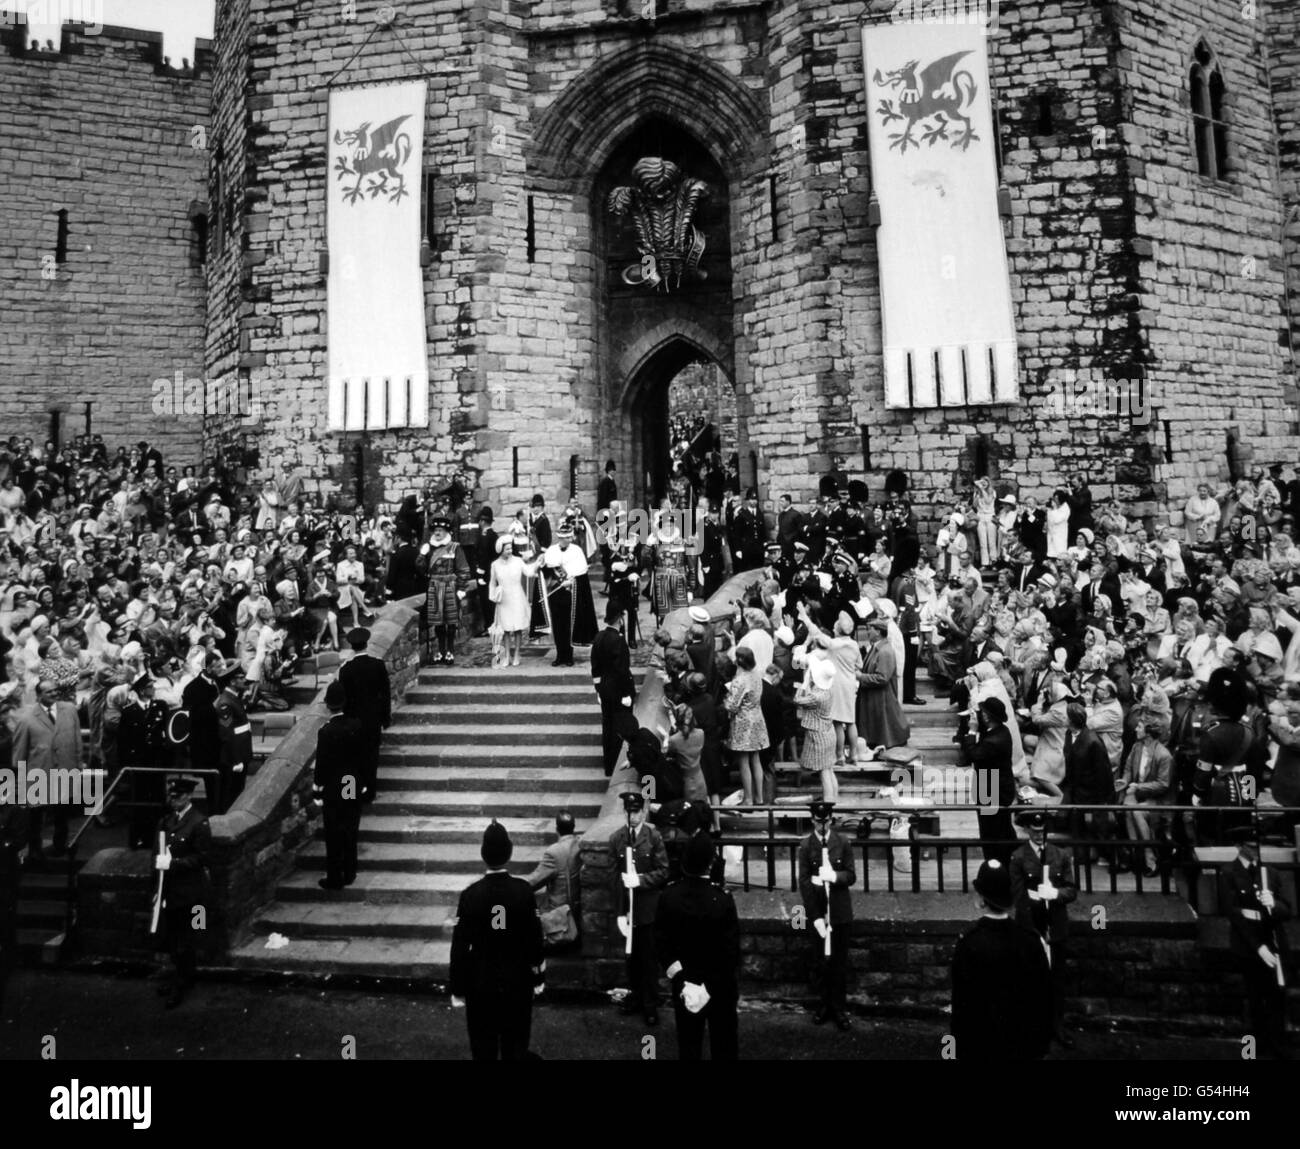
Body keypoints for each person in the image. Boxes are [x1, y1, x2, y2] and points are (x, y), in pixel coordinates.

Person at [449, 822, 546, 1060]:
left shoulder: (471, 895)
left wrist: (458, 988)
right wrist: (538, 978)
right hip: (517, 982)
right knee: (516, 1045)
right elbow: (535, 939)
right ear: (509, 853)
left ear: (484, 855)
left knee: (484, 1048)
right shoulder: (523, 892)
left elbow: (460, 946)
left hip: (481, 984)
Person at [951, 858, 1052, 1060]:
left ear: (981, 899)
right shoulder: (1031, 940)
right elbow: (1043, 998)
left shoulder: (969, 943)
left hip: (983, 1045)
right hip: (1021, 1044)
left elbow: (963, 1007)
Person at [653, 833, 741, 1060]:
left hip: (685, 985)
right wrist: (709, 987)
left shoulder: (669, 896)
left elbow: (662, 945)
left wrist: (681, 980)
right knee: (724, 1045)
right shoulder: (722, 899)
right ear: (710, 863)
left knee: (689, 1045)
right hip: (719, 987)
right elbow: (730, 953)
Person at [1216, 826, 1291, 1059]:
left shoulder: (1270, 872)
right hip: (1249, 946)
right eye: (1250, 846)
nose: (1255, 850)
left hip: (1274, 941)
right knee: (1256, 1000)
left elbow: (1287, 908)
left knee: (1278, 999)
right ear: (1240, 846)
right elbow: (1234, 913)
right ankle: (1256, 1050)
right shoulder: (1228, 873)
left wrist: (1275, 905)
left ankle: (1278, 1049)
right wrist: (1258, 947)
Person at [1009, 810, 1078, 1048]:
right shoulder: (1019, 857)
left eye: (1042, 831)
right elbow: (1019, 899)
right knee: (1031, 979)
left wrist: (1056, 894)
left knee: (1057, 980)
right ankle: (1033, 1028)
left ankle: (1057, 1026)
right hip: (1033, 928)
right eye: (1034, 831)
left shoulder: (1060, 854)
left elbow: (1071, 890)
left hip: (1056, 924)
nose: (1039, 835)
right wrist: (1034, 933)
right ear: (1027, 830)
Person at [152, 776, 212, 1009]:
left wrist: (174, 863)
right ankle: (181, 976)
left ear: (187, 797)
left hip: (188, 891)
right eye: (170, 797)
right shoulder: (167, 821)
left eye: (176, 797)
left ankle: (183, 980)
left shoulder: (198, 822)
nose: (172, 801)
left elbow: (202, 858)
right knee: (172, 937)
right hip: (169, 889)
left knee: (185, 939)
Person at [609, 791, 669, 1025]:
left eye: (636, 811)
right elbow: (613, 878)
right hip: (628, 911)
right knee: (631, 959)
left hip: (647, 909)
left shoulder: (653, 836)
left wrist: (641, 881)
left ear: (644, 811)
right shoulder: (617, 838)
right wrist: (619, 913)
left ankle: (650, 1004)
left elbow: (663, 871)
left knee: (648, 959)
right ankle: (635, 997)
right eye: (629, 811)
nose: (633, 816)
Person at [797, 799, 855, 1030]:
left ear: (831, 820)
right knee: (820, 962)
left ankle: (838, 1008)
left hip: (839, 910)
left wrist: (835, 877)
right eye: (818, 821)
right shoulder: (805, 846)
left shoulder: (842, 842)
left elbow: (851, 875)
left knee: (839, 963)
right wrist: (815, 916)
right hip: (819, 911)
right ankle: (824, 1005)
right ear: (813, 820)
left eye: (826, 821)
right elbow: (803, 882)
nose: (822, 825)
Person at [13, 677, 81, 861]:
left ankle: (60, 846)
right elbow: (19, 753)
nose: (54, 693)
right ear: (39, 695)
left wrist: (78, 768)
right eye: (49, 691)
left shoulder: (70, 710)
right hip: (38, 773)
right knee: (36, 817)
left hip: (65, 770)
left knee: (62, 814)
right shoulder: (27, 719)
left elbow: (77, 743)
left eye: (55, 690)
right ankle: (35, 850)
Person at [311, 680, 363, 890]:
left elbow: (321, 765)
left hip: (333, 786)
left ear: (327, 704)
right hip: (349, 782)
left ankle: (335, 875)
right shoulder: (356, 726)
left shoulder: (326, 731)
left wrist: (317, 789)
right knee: (349, 825)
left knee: (333, 830)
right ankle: (349, 870)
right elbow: (362, 758)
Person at [338, 627, 391, 803]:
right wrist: (386, 718)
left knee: (354, 757)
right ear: (366, 644)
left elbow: (344, 699)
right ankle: (370, 791)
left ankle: (352, 792)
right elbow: (385, 694)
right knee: (371, 755)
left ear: (352, 647)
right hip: (373, 718)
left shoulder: (346, 669)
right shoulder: (377, 665)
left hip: (353, 720)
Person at [1118, 719, 1174, 876]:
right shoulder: (1137, 747)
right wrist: (1125, 780)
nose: (1136, 729)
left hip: (1157, 799)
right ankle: (1142, 855)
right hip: (1138, 794)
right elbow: (1129, 768)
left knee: (1135, 812)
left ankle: (1148, 857)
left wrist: (1138, 787)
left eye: (1140, 727)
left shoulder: (1164, 755)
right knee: (1129, 809)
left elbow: (1163, 784)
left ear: (1148, 733)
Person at [964, 696, 1016, 864]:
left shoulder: (994, 741)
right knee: (1003, 828)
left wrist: (972, 731)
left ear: (986, 716)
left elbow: (972, 754)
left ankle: (996, 865)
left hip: (993, 790)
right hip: (996, 785)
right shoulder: (1001, 730)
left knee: (991, 832)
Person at [541, 523, 597, 667]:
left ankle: (569, 656)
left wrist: (571, 582)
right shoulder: (551, 551)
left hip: (570, 592)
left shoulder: (577, 551)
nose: (567, 540)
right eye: (564, 537)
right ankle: (560, 655)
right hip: (555, 592)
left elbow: (581, 573)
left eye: (568, 537)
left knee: (568, 625)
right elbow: (547, 573)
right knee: (557, 625)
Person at [420, 515, 473, 665]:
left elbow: (463, 569)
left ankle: (449, 650)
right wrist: (422, 555)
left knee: (451, 621)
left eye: (440, 530)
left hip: (450, 586)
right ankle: (440, 650)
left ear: (446, 531)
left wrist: (462, 588)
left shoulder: (455, 547)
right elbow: (421, 569)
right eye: (435, 530)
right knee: (437, 622)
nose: (437, 533)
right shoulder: (429, 548)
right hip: (434, 586)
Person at [591, 603, 635, 777]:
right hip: (618, 690)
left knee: (607, 726)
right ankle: (616, 765)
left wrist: (598, 689)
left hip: (605, 689)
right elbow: (621, 670)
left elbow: (595, 668)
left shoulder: (599, 637)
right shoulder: (618, 640)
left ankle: (609, 765)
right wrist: (626, 693)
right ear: (620, 619)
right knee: (619, 728)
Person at [525, 811, 582, 940]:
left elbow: (533, 881)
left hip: (562, 912)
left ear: (557, 830)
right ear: (573, 827)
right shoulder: (579, 844)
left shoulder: (554, 852)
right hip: (578, 906)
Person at [181, 652, 223, 808]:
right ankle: (213, 809)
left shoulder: (218, 682)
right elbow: (191, 715)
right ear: (209, 668)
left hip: (220, 738)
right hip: (205, 741)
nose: (221, 669)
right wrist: (213, 707)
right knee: (210, 779)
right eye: (218, 666)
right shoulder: (193, 688)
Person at [796, 656, 838, 801]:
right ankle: (834, 799)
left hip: (819, 734)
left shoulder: (816, 696)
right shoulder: (828, 690)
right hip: (828, 730)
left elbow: (797, 700)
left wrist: (804, 683)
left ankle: (828, 802)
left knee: (824, 771)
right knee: (829, 769)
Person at [213, 661, 252, 814]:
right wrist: (236, 759)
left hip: (241, 751)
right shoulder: (225, 703)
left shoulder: (234, 697)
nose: (244, 680)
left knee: (238, 790)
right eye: (241, 678)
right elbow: (226, 734)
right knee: (231, 794)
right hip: (233, 757)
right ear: (232, 681)